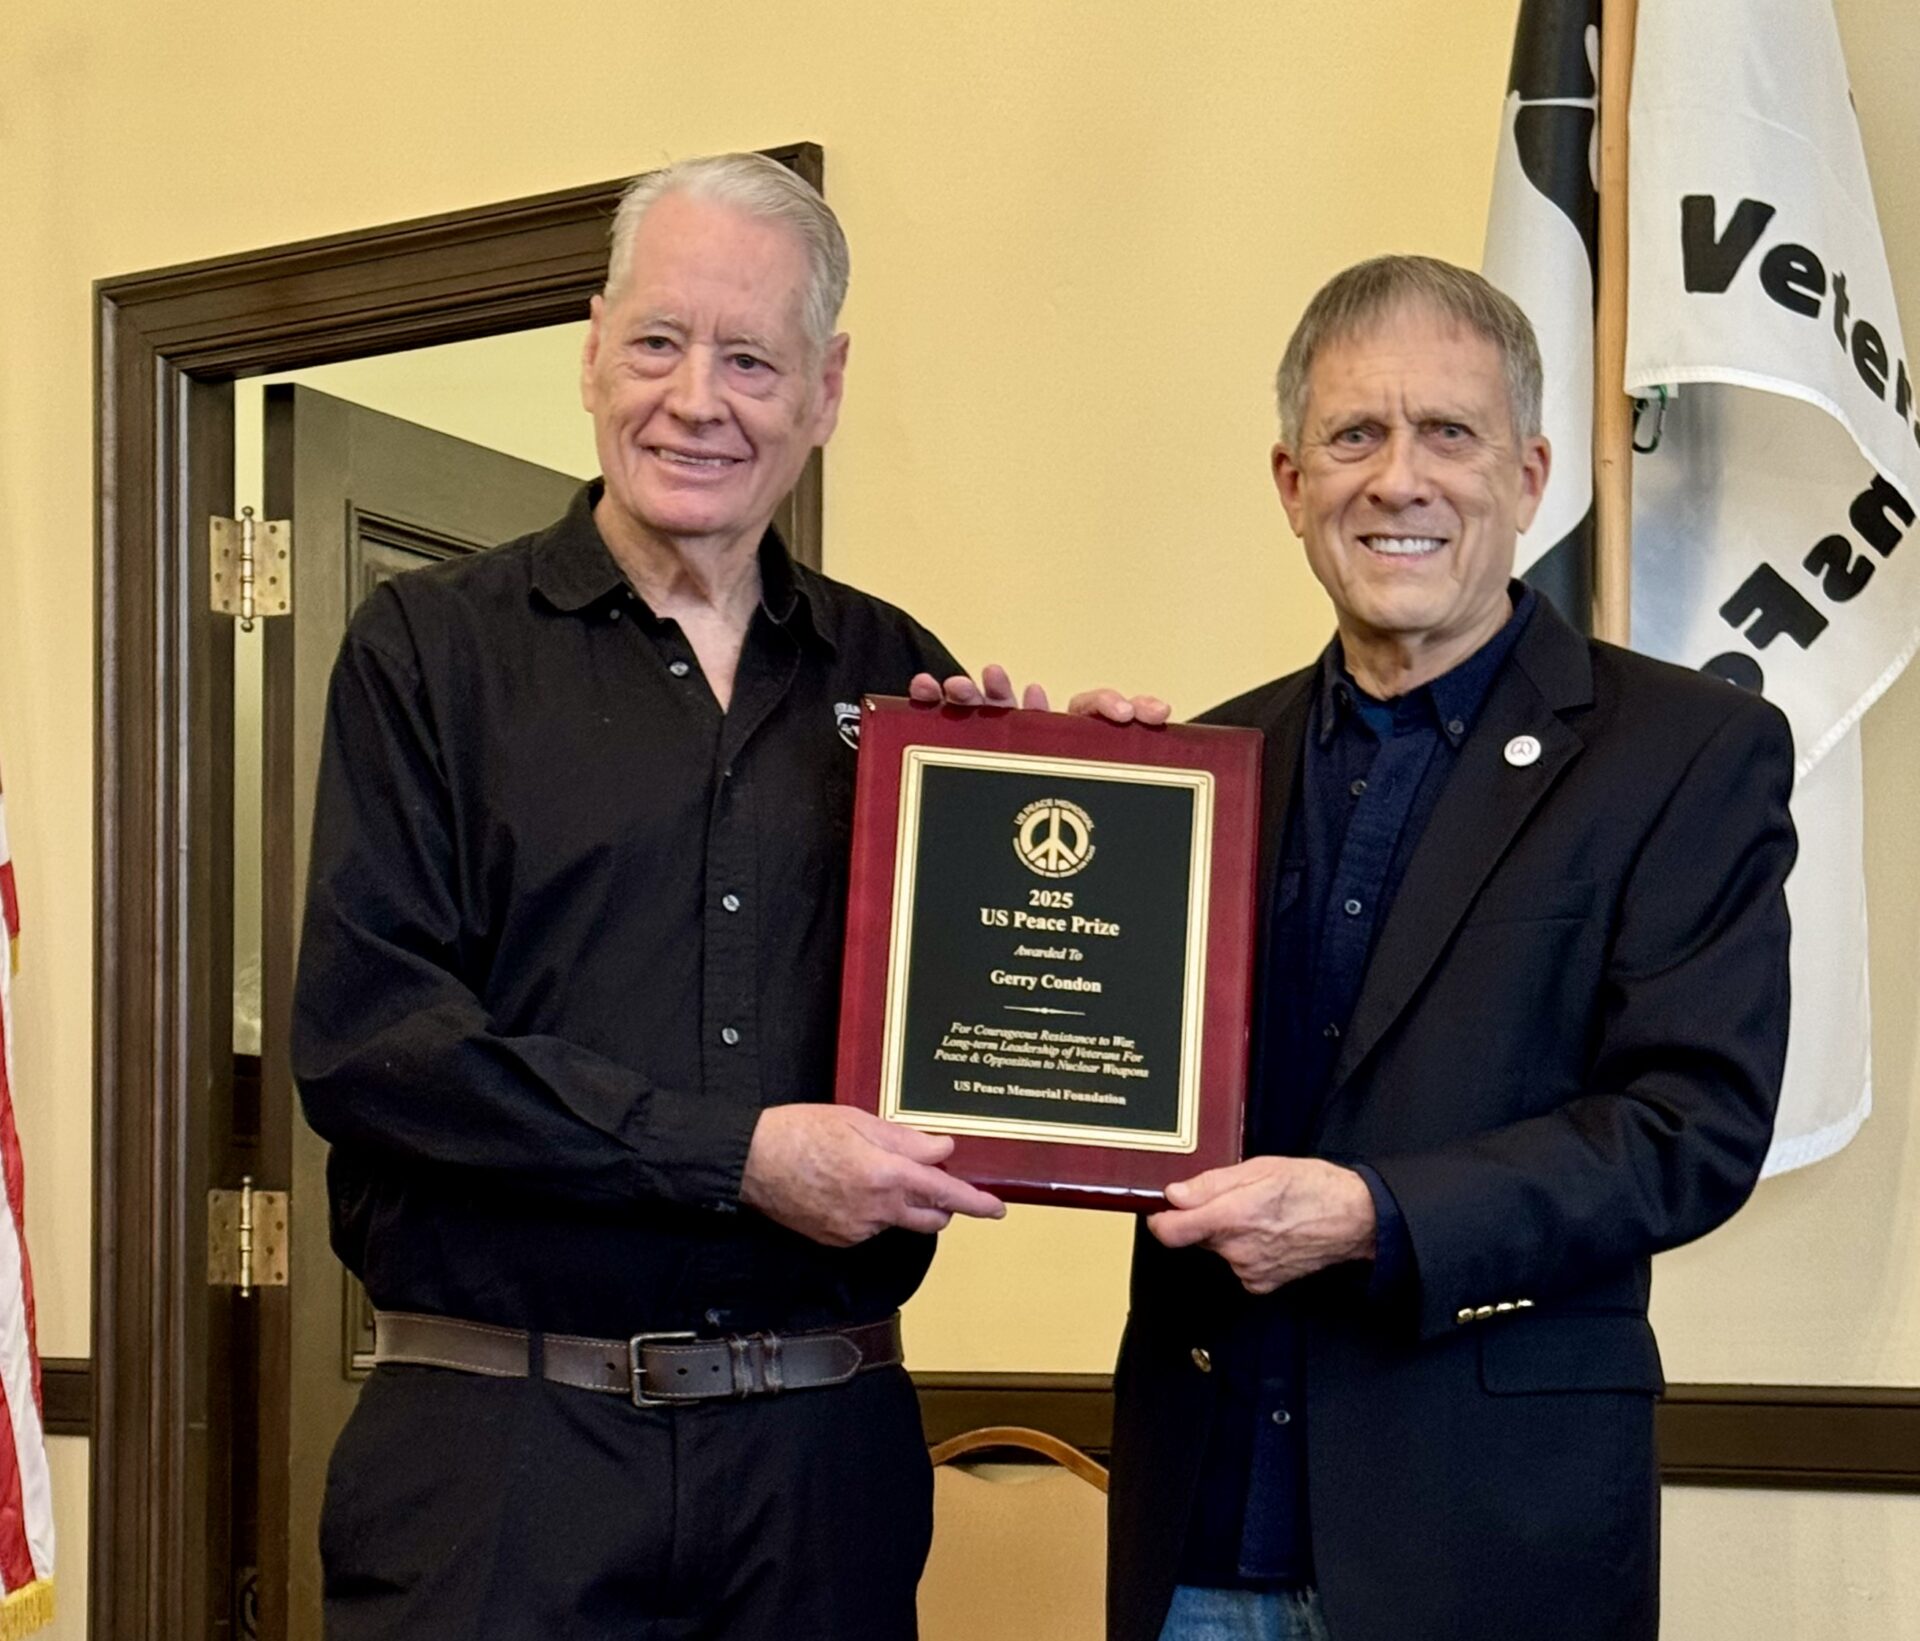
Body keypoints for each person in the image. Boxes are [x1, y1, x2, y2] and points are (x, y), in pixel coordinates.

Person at [294, 152, 1028, 1640]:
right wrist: (735, 1155)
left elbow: (992, 1019)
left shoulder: (904, 686)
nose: (697, 398)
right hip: (502, 1465)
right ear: (590, 350)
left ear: (823, 391)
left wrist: (1070, 804)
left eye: (750, 357)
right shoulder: (429, 650)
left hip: (821, 1469)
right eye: (658, 341)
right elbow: (376, 1041)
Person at [1106, 256, 1796, 1641]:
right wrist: (1033, 798)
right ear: (1293, 484)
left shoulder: (1686, 753)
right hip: (1200, 1534)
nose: (1398, 479)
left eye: (1450, 434)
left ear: (1532, 475)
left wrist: (1376, 1214)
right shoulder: (1193, 768)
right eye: (1355, 435)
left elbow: (1692, 1126)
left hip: (1487, 1541)